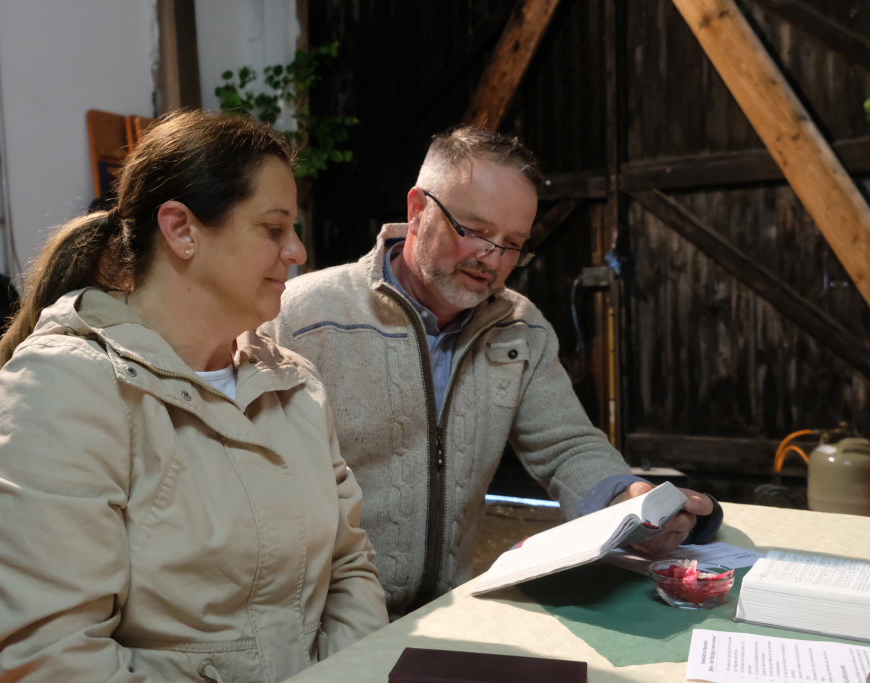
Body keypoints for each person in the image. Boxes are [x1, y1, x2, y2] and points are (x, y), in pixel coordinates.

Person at [0, 109, 388, 682]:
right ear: (181, 230)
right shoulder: (60, 391)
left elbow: (350, 568)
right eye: (274, 229)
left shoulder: (293, 384)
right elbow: (52, 657)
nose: (298, 251)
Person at [261, 126, 722, 618]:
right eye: (476, 231)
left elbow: (565, 444)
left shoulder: (520, 327)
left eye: (513, 243)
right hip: (327, 621)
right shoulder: (301, 318)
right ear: (418, 209)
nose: (493, 258)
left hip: (450, 612)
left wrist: (627, 499)